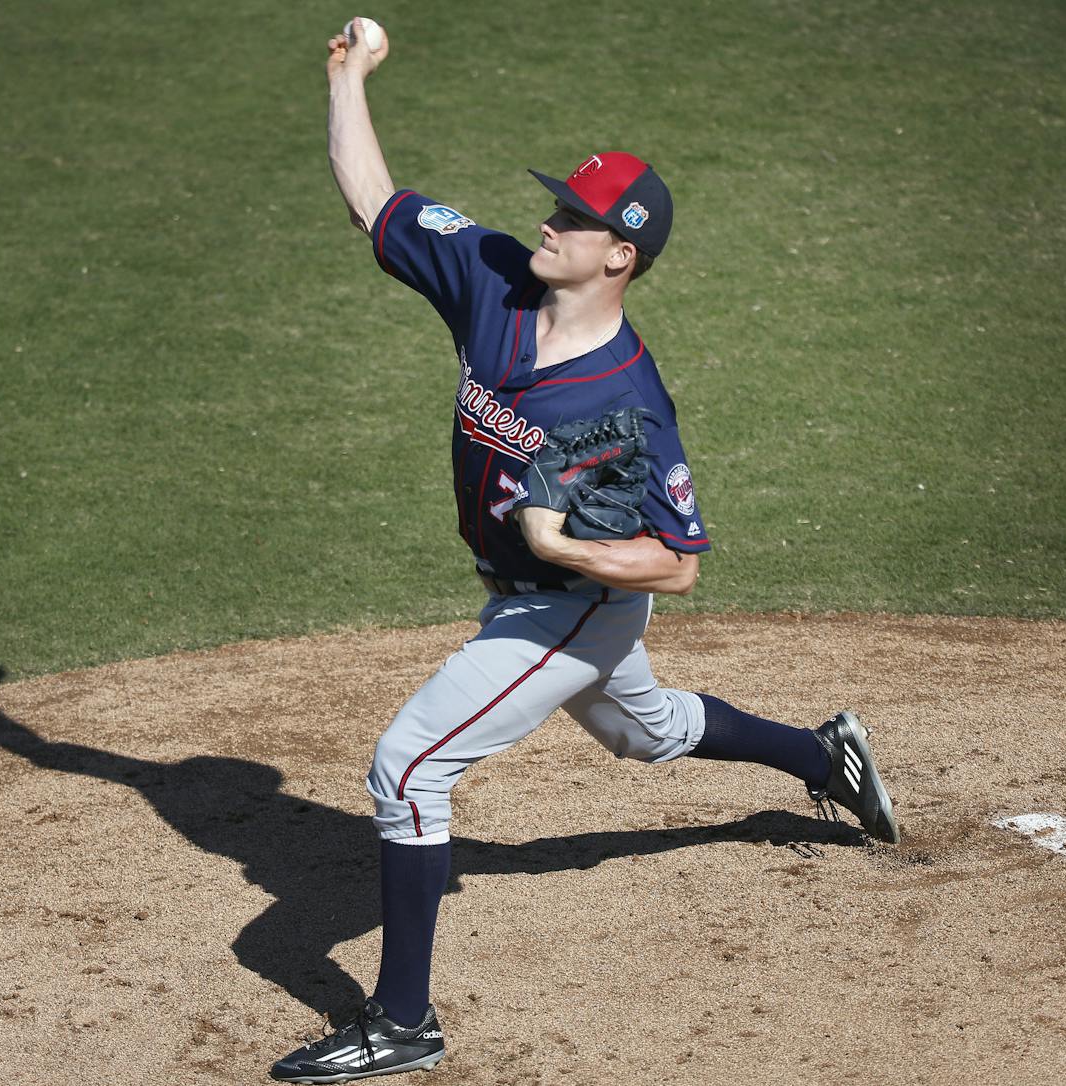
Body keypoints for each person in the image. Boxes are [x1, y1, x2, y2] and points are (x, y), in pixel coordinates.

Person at [269, 21, 901, 1084]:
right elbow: (372, 198)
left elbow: (678, 562)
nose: (548, 221)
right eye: (555, 203)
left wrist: (570, 548)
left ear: (621, 256)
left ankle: (403, 1024)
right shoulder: (495, 282)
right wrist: (347, 78)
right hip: (531, 596)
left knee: (410, 766)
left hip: (568, 605)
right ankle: (821, 755)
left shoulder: (627, 404)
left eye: (574, 216)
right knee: (644, 734)